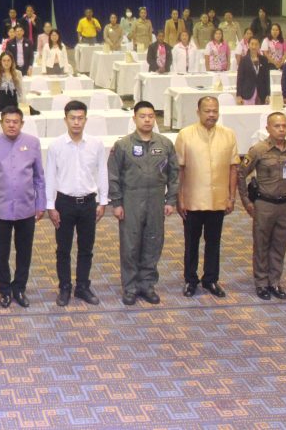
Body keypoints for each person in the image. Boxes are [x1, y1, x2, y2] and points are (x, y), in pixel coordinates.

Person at [108, 101, 179, 306]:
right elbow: (113, 175)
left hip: (156, 199)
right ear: (134, 118)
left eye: (150, 116)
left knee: (153, 243)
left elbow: (174, 174)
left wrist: (171, 199)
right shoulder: (123, 145)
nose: (147, 120)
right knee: (130, 245)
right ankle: (130, 287)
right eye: (142, 116)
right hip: (131, 200)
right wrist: (117, 202)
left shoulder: (165, 144)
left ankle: (147, 285)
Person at [0, 106, 45, 308]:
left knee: (24, 252)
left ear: (22, 123)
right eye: (7, 121)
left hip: (26, 208)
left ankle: (20, 288)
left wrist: (40, 204)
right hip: (0, 209)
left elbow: (39, 178)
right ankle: (5, 290)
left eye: (15, 122)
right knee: (1, 253)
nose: (11, 125)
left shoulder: (32, 143)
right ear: (1, 123)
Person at [44, 101, 108, 307]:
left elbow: (102, 172)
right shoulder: (56, 146)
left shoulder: (96, 144)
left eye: (80, 118)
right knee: (63, 249)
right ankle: (64, 287)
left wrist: (103, 201)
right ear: (65, 120)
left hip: (88, 202)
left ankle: (82, 286)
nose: (76, 122)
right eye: (72, 118)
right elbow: (50, 176)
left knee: (86, 248)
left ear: (86, 120)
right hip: (64, 202)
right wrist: (50, 206)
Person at [175, 96, 239, 298]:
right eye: (207, 111)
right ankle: (190, 280)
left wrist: (231, 197)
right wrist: (179, 197)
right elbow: (179, 169)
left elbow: (234, 168)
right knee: (191, 243)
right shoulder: (185, 135)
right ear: (198, 112)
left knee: (214, 242)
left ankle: (211, 279)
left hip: (218, 199)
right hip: (192, 199)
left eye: (215, 111)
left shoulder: (228, 135)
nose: (212, 115)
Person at [238, 112, 286, 301]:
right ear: (268, 128)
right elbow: (241, 173)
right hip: (264, 205)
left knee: (279, 245)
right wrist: (246, 201)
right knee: (261, 245)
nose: (281, 129)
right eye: (277, 126)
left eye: (284, 126)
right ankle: (261, 283)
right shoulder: (258, 150)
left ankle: (274, 281)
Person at [235, 38, 270, 105]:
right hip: (247, 93)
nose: (254, 47)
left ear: (259, 46)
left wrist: (268, 94)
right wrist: (238, 95)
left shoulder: (264, 60)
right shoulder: (243, 60)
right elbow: (239, 79)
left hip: (261, 93)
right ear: (248, 45)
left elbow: (267, 78)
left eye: (256, 44)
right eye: (252, 44)